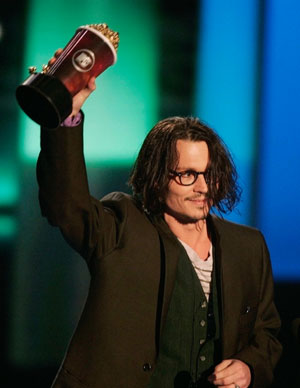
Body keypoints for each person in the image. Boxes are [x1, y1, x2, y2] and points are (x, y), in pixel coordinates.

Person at [36, 53, 282, 388]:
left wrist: (248, 367)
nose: (202, 187)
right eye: (187, 175)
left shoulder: (248, 247)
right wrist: (66, 114)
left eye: (209, 174)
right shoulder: (121, 227)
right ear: (156, 179)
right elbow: (67, 205)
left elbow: (266, 334)